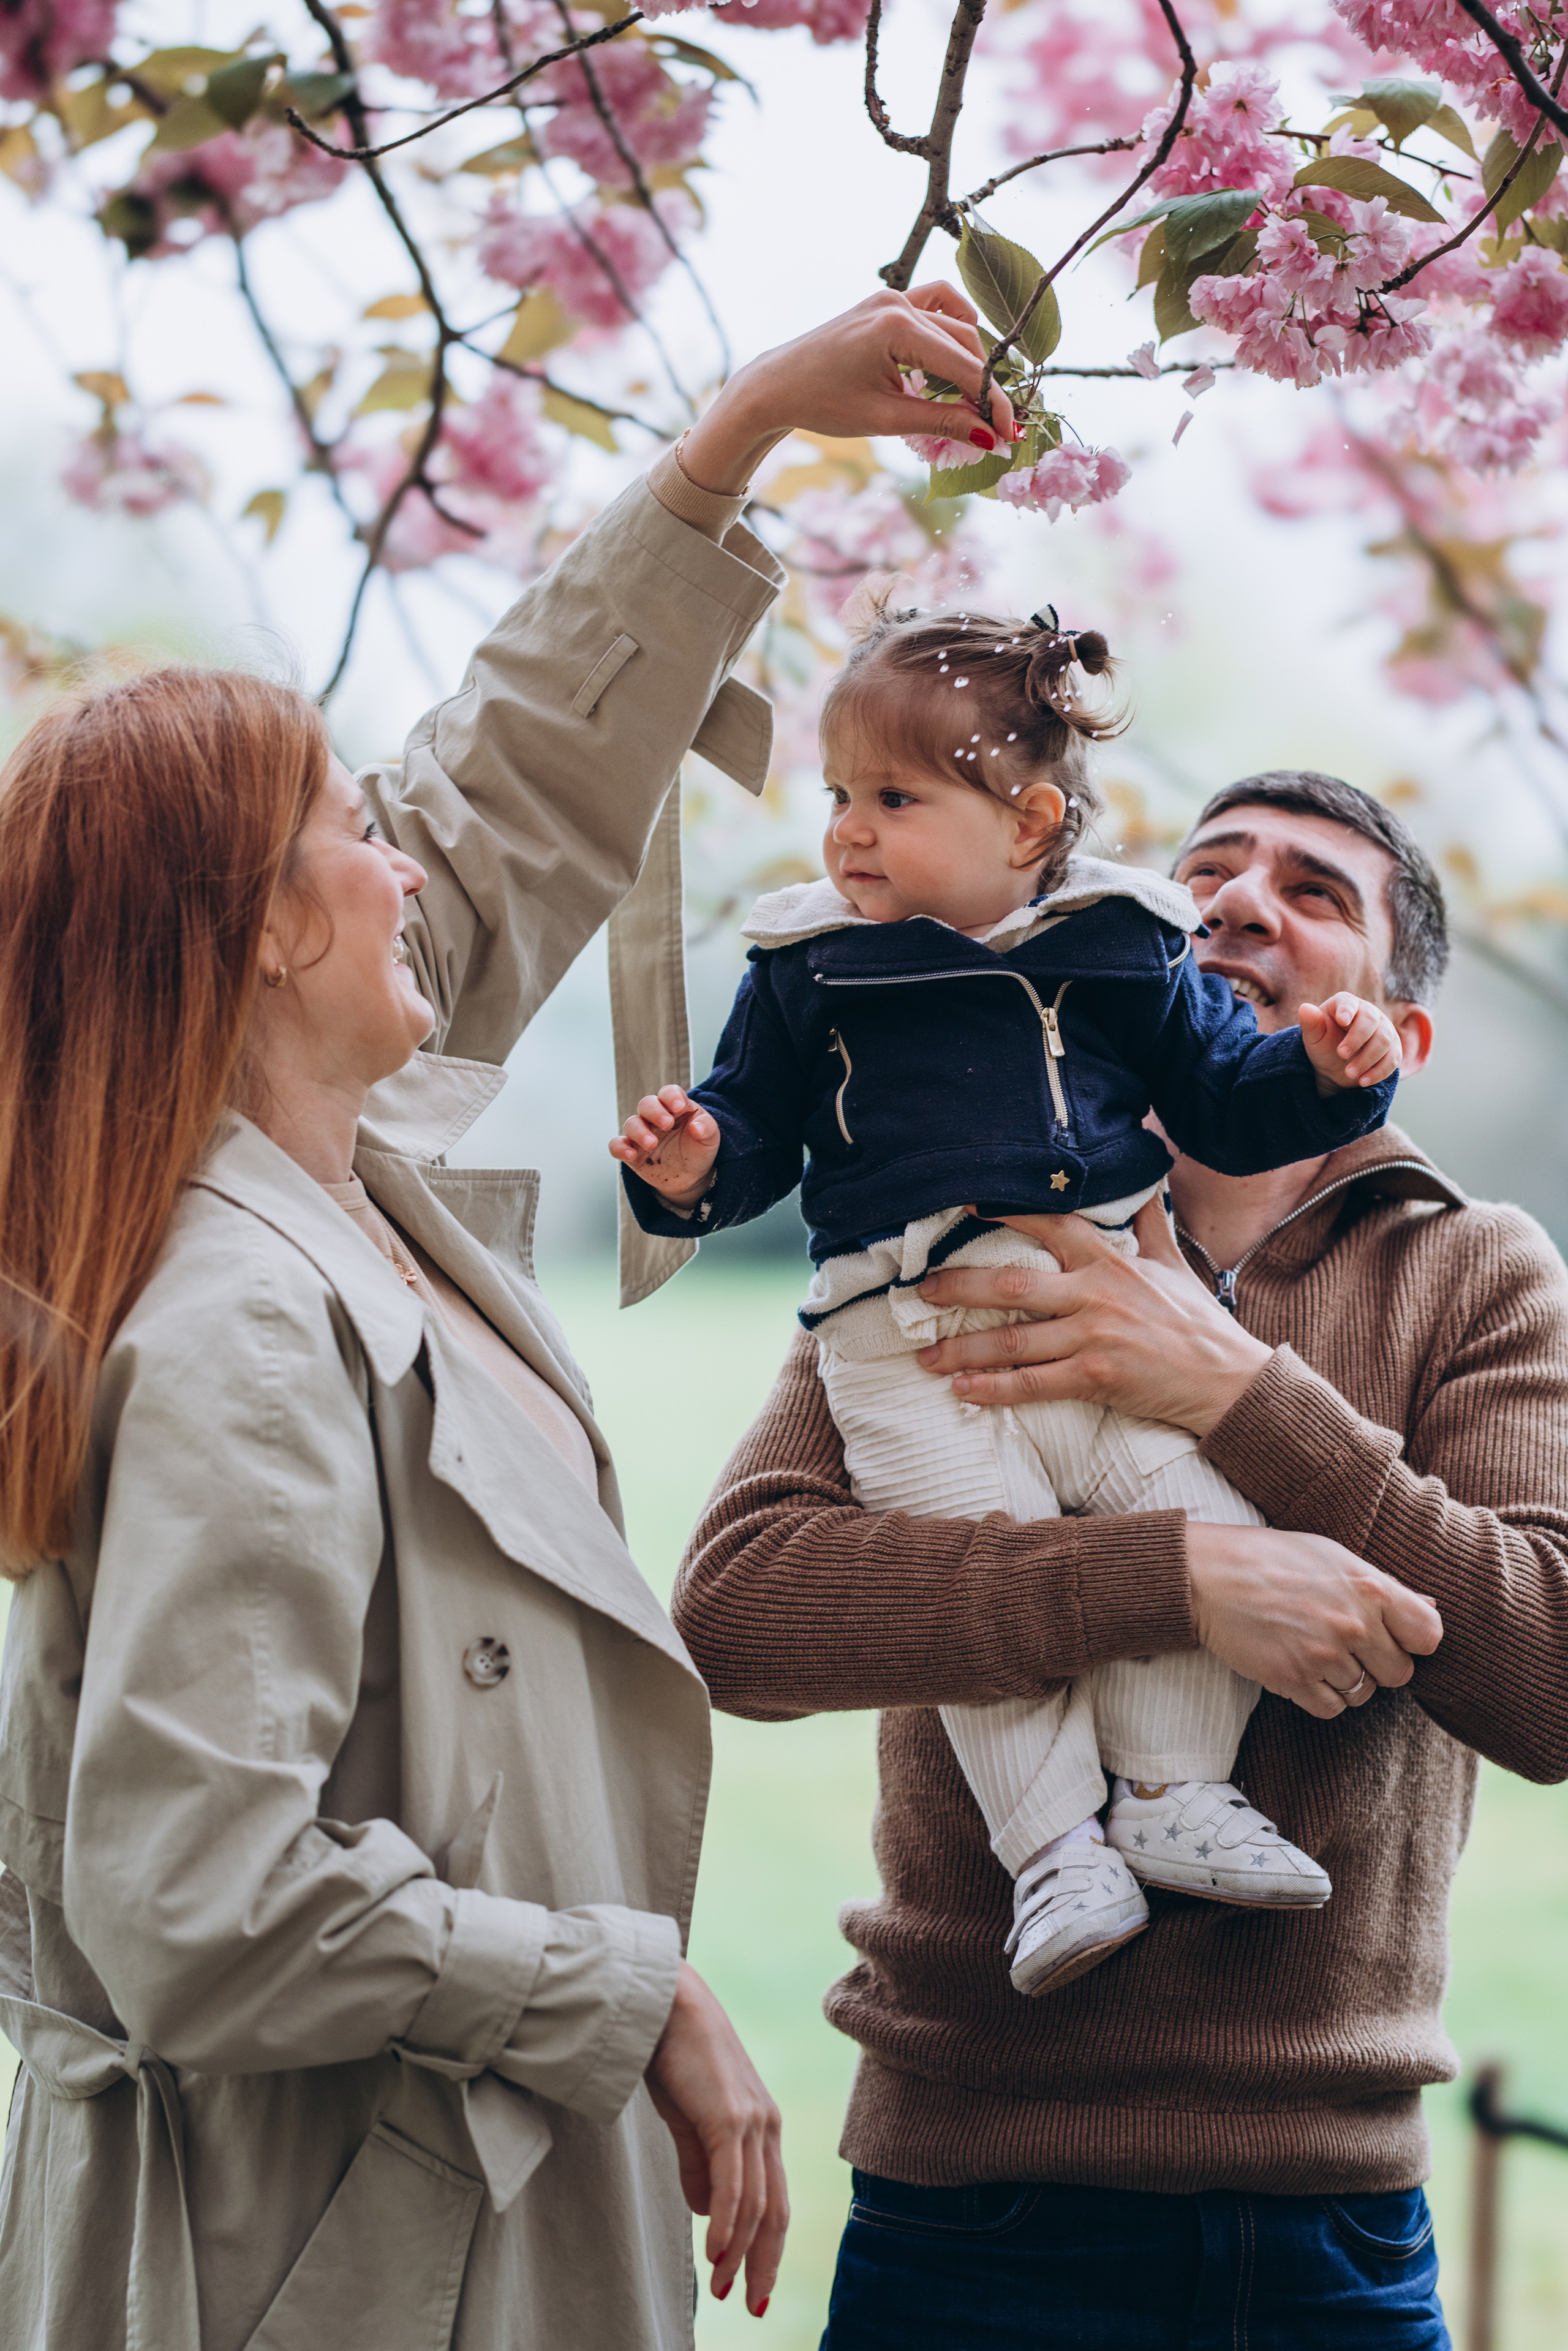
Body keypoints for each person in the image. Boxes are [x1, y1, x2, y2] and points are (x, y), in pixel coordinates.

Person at [0, 289, 1017, 2351]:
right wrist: (626, 1989)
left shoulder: (328, 1185)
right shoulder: (240, 1327)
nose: (405, 865)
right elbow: (198, 1904)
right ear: (267, 929)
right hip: (328, 2249)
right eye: (352, 833)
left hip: (423, 2193)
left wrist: (731, 439)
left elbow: (502, 792)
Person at [673, 769, 1568, 2348]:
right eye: (1207, 872)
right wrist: (1169, 1580)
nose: (1235, 901)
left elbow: (1552, 1677)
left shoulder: (1476, 1271)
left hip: (1329, 2215)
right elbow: (737, 1611)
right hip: (968, 2189)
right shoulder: (939, 1230)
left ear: (1396, 1037)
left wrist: (1230, 1392)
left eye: (1314, 892)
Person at [613, 603, 1401, 2000]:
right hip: (907, 1338)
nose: (848, 828)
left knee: (1214, 1519)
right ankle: (1051, 1852)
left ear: (1030, 819)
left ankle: (1167, 1794)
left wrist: (1333, 1077)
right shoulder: (808, 963)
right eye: (837, 795)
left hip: (1110, 1329)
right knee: (986, 1557)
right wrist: (692, 1168)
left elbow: (1225, 1093)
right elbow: (754, 1131)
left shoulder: (1122, 947)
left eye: (893, 798)